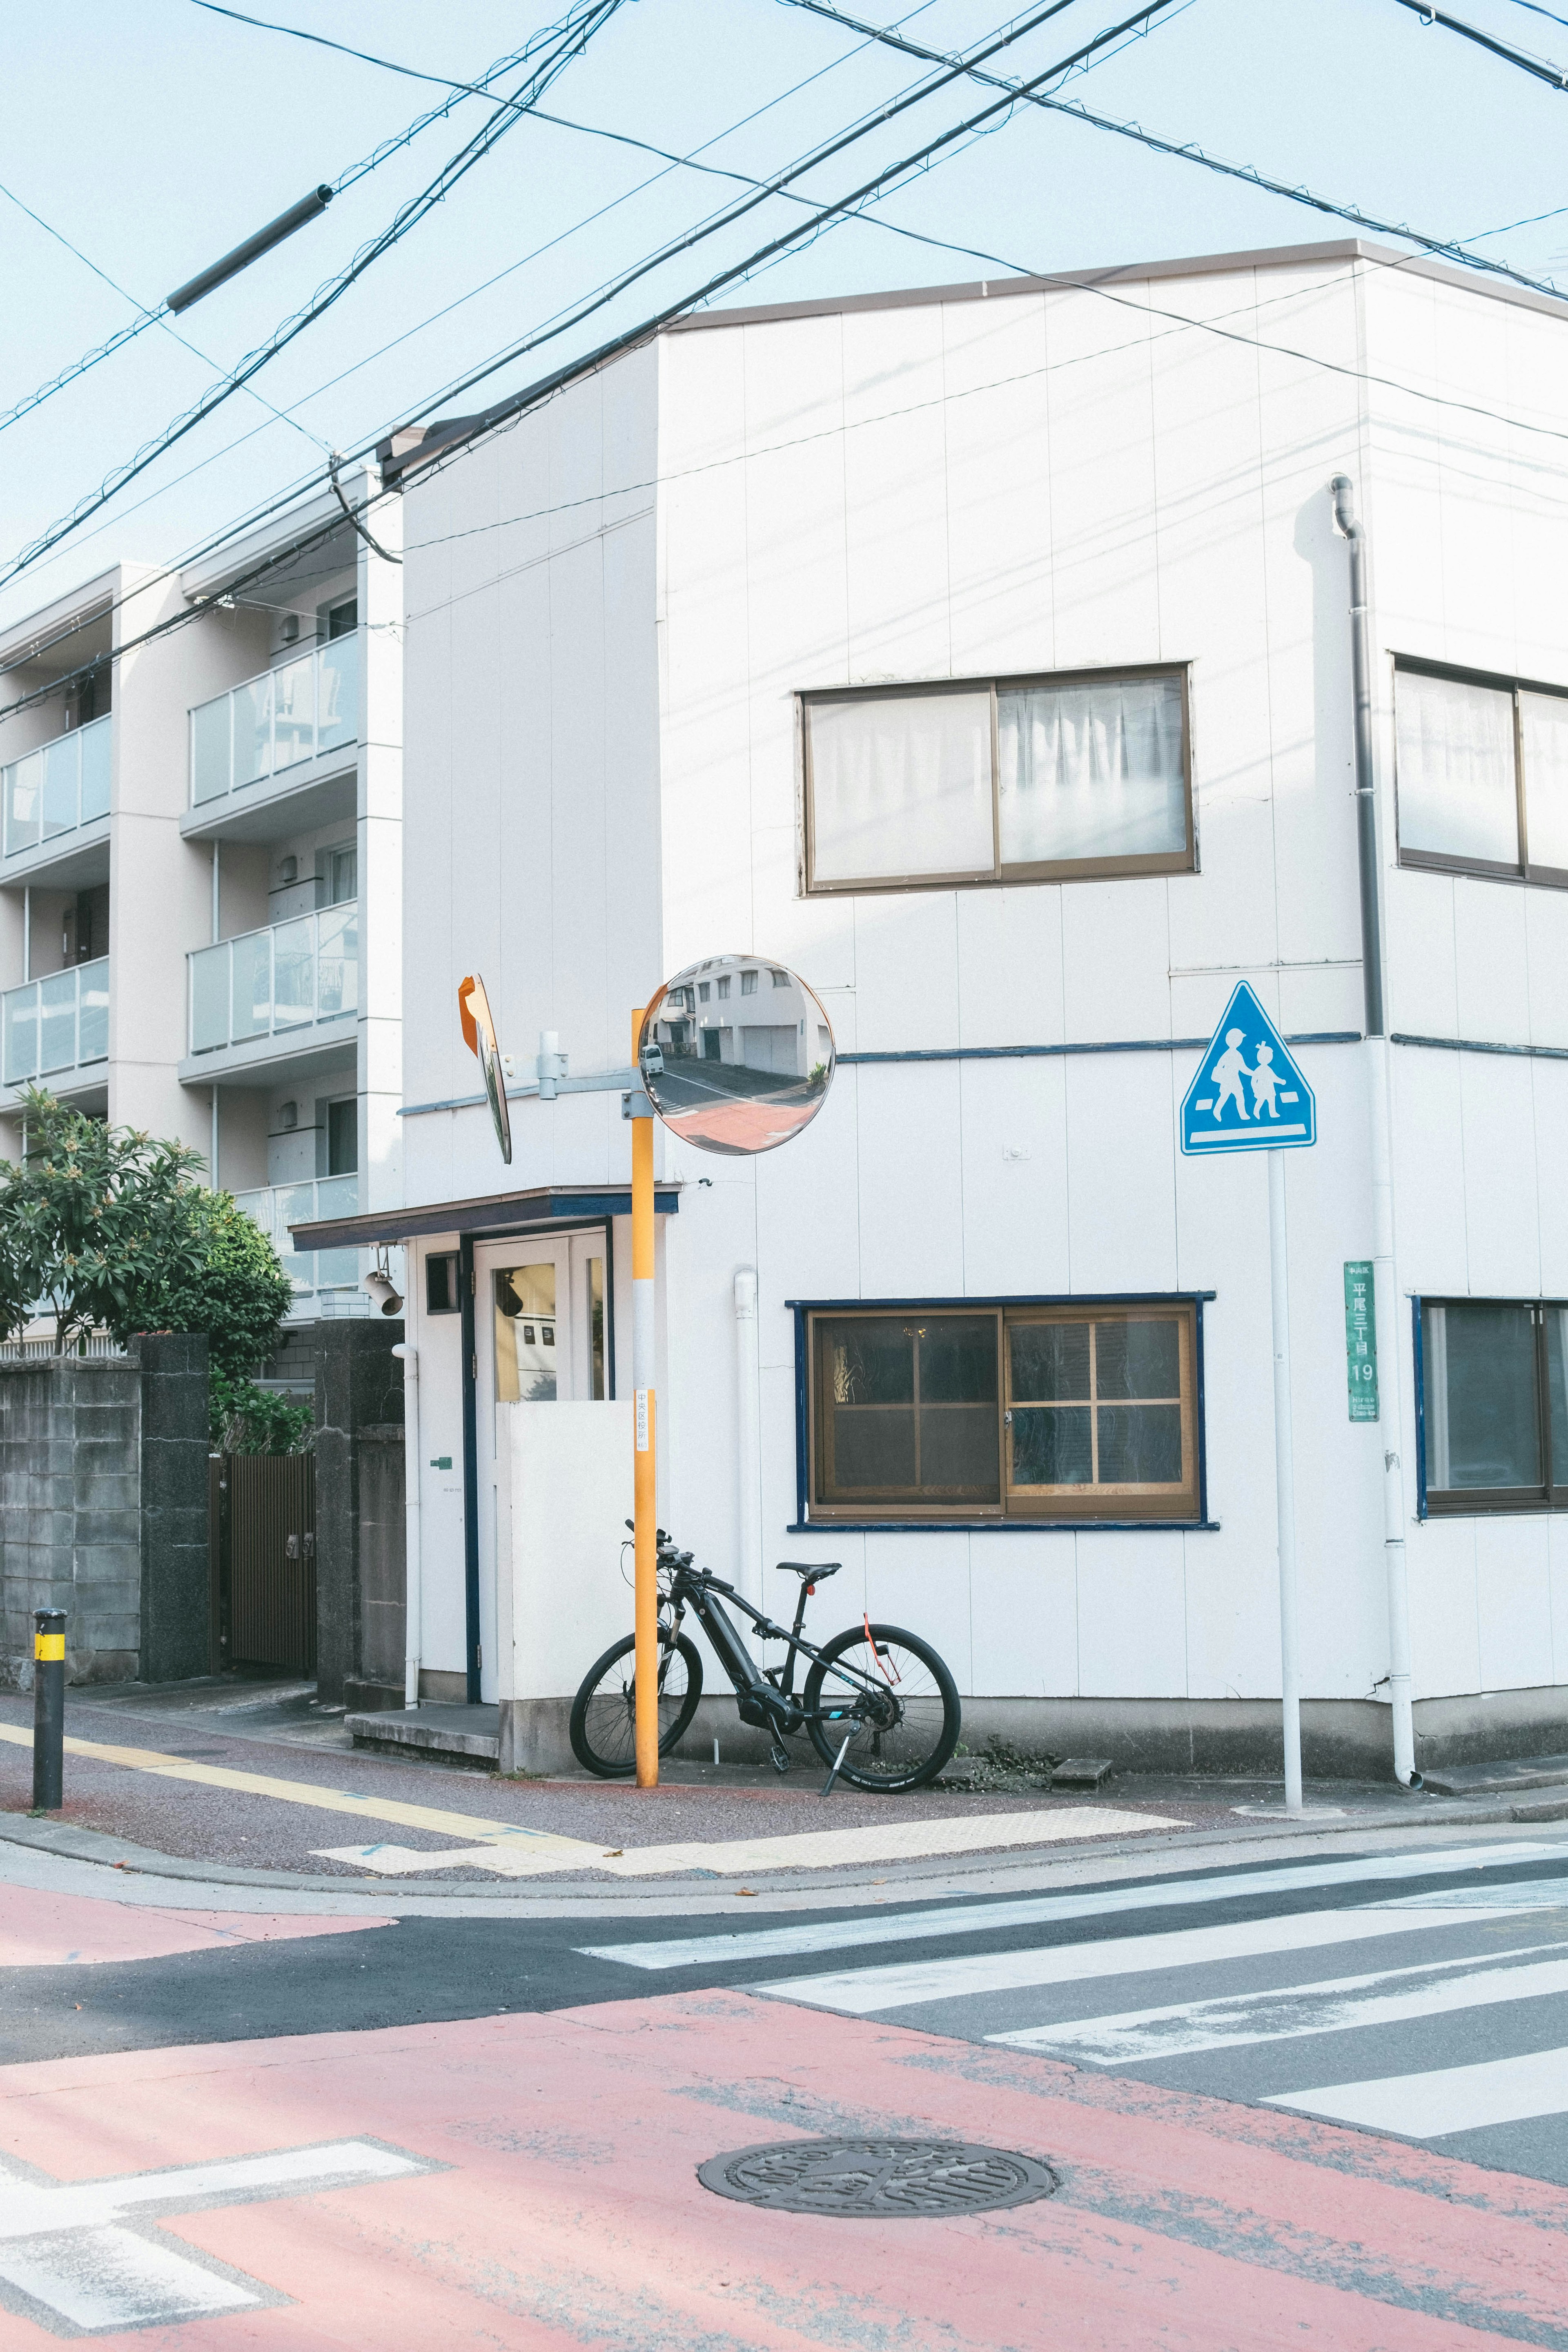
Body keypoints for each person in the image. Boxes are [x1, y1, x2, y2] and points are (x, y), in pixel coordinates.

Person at [1209, 1029, 1251, 1122]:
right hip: (1228, 1081)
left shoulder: (1235, 1054)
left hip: (1234, 1081)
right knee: (1226, 1097)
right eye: (1240, 1039)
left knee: (1239, 1098)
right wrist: (1254, 1074)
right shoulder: (1231, 1054)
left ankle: (1243, 1115)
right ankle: (1217, 1111)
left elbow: (1243, 1068)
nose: (1241, 1041)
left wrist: (1253, 1074)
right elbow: (1243, 1069)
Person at [1249, 1040, 1284, 1120]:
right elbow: (1253, 1081)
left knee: (1272, 1100)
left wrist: (1281, 1081)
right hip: (1261, 1089)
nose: (1269, 1058)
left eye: (1270, 1056)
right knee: (1261, 1100)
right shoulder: (1258, 1070)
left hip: (1270, 1089)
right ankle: (1256, 1112)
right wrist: (1255, 1090)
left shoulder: (1269, 1069)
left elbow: (1274, 1078)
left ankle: (1273, 1113)